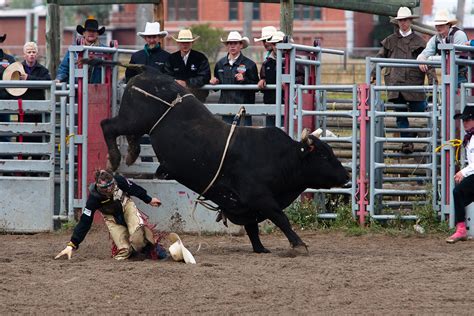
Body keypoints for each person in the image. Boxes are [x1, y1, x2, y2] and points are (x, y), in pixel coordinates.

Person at [55, 169, 163, 260]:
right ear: (98, 187)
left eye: (110, 186)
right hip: (111, 217)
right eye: (104, 188)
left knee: (137, 237)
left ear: (113, 182)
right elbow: (85, 221)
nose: (109, 190)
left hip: (126, 206)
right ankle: (134, 252)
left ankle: (152, 248)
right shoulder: (93, 199)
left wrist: (148, 199)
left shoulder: (119, 180)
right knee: (124, 251)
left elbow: (133, 188)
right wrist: (72, 244)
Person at [371, 7, 438, 154]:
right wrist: (373, 74)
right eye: (401, 20)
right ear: (398, 22)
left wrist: (433, 82)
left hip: (414, 84)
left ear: (410, 21)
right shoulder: (390, 41)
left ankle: (416, 133)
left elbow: (429, 63)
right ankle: (407, 142)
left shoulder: (419, 41)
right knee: (400, 115)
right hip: (395, 84)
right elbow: (379, 58)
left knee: (421, 111)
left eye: (406, 20)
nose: (403, 23)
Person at [210, 31, 259, 125]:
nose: (232, 46)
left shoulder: (250, 64)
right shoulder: (220, 64)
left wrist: (244, 80)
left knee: (244, 135)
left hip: (244, 109)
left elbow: (256, 86)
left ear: (241, 45)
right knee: (227, 137)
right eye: (229, 43)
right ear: (227, 46)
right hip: (226, 108)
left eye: (235, 43)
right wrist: (214, 83)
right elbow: (216, 88)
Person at [417, 9, 468, 87]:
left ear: (448, 25)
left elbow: (454, 58)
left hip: (462, 76)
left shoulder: (459, 35)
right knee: (447, 97)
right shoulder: (436, 39)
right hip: (446, 76)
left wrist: (430, 59)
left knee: (462, 97)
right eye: (437, 25)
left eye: (441, 25)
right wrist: (421, 60)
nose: (438, 27)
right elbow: (425, 53)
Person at [446, 106, 474, 243]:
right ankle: (461, 228)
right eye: (464, 120)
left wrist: (463, 171)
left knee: (459, 192)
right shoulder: (470, 137)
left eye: (468, 120)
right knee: (460, 194)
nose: (465, 123)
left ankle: (461, 228)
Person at [164, 29, 211, 103]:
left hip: (197, 98)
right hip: (176, 99)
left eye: (187, 42)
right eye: (182, 42)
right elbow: (166, 76)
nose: (185, 45)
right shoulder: (171, 58)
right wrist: (175, 82)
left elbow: (205, 77)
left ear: (192, 42)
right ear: (178, 43)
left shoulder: (200, 58)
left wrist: (187, 83)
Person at [56, 19, 106, 84]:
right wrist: (59, 79)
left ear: (97, 34)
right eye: (88, 31)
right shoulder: (73, 49)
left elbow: (110, 71)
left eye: (94, 31)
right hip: (76, 89)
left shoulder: (105, 50)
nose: (91, 33)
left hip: (96, 89)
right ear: (84, 33)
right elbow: (64, 68)